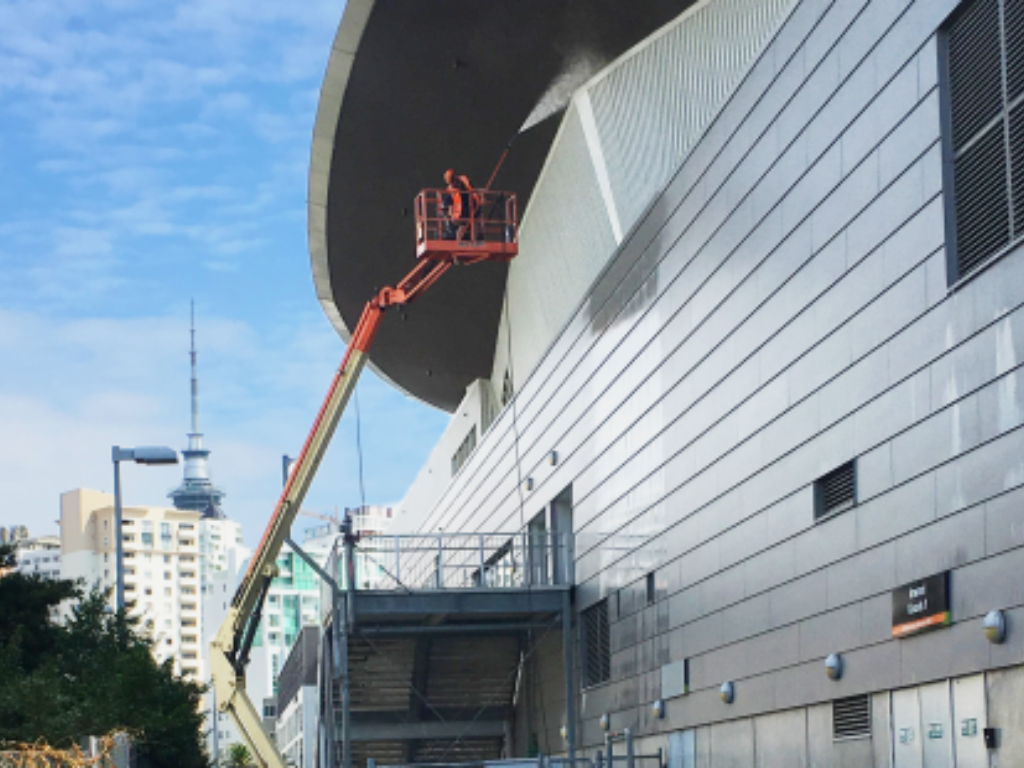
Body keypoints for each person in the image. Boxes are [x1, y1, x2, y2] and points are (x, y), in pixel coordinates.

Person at [442, 169, 475, 240]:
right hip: (459, 216)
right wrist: (451, 215)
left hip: (469, 211)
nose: (453, 184)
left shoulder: (464, 182)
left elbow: (472, 191)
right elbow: (448, 206)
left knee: (472, 226)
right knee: (458, 229)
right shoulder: (449, 191)